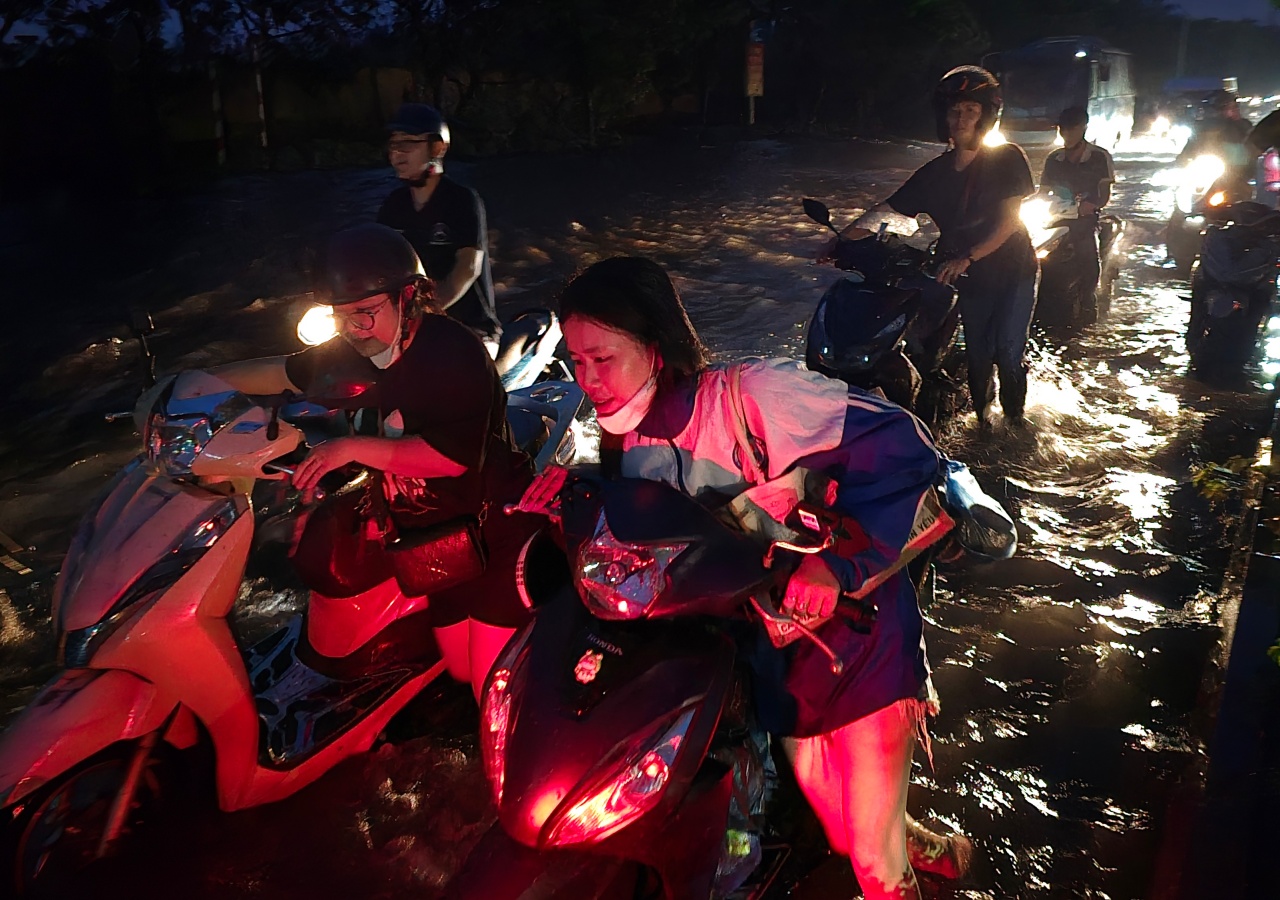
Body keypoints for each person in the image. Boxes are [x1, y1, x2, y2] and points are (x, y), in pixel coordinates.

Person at [517, 256, 973, 899]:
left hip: (857, 635)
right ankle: (943, 850)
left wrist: (834, 564)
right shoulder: (624, 441)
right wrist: (567, 500)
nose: (589, 381)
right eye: (576, 362)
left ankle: (904, 865)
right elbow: (649, 538)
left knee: (872, 862)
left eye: (604, 358)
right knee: (843, 832)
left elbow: (906, 449)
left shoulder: (753, 397)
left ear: (654, 348)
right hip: (775, 650)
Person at [187, 223, 533, 700]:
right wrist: (197, 383)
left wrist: (348, 449)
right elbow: (283, 370)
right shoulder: (355, 350)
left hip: (492, 529)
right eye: (342, 316)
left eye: (367, 312)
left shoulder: (452, 353)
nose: (355, 329)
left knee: (493, 687)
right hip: (430, 538)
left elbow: (450, 460)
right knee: (457, 668)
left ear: (408, 296)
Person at [824, 66, 1036, 428]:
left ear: (986, 114)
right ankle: (985, 422)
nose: (961, 118)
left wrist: (970, 255)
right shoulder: (935, 172)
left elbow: (1009, 221)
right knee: (979, 355)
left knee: (1007, 350)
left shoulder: (1007, 158)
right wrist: (840, 240)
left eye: (970, 110)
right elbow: (887, 210)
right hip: (970, 275)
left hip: (1013, 269)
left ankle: (1015, 425)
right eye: (954, 110)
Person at [377, 103, 502, 342]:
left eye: (407, 143)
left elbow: (468, 268)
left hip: (469, 329)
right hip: (412, 329)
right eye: (394, 144)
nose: (397, 153)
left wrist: (428, 310)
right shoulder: (393, 206)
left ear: (437, 147)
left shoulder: (462, 200)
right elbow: (377, 262)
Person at [1038, 106, 1116, 308]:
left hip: (1085, 218)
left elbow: (1104, 196)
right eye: (1063, 130)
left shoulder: (1100, 157)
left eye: (1071, 129)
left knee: (1086, 250)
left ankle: (1089, 297)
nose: (1067, 135)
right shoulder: (1054, 159)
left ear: (1082, 128)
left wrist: (1089, 206)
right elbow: (1043, 193)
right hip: (1058, 216)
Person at [1176, 90, 1254, 178]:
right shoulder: (1203, 127)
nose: (1234, 110)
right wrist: (1184, 159)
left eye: (1235, 107)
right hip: (1210, 173)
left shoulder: (1244, 126)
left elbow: (1255, 145)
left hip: (1240, 172)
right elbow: (1190, 147)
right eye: (1228, 107)